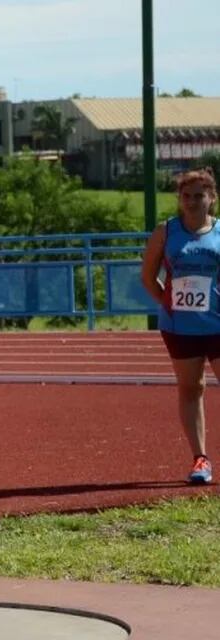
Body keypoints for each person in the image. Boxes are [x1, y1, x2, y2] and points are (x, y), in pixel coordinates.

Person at [141, 167, 219, 485]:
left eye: (199, 195)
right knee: (191, 388)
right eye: (186, 196)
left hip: (217, 324)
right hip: (179, 327)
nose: (192, 201)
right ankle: (200, 458)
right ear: (179, 199)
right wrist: (167, 303)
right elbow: (148, 275)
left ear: (211, 198)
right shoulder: (167, 231)